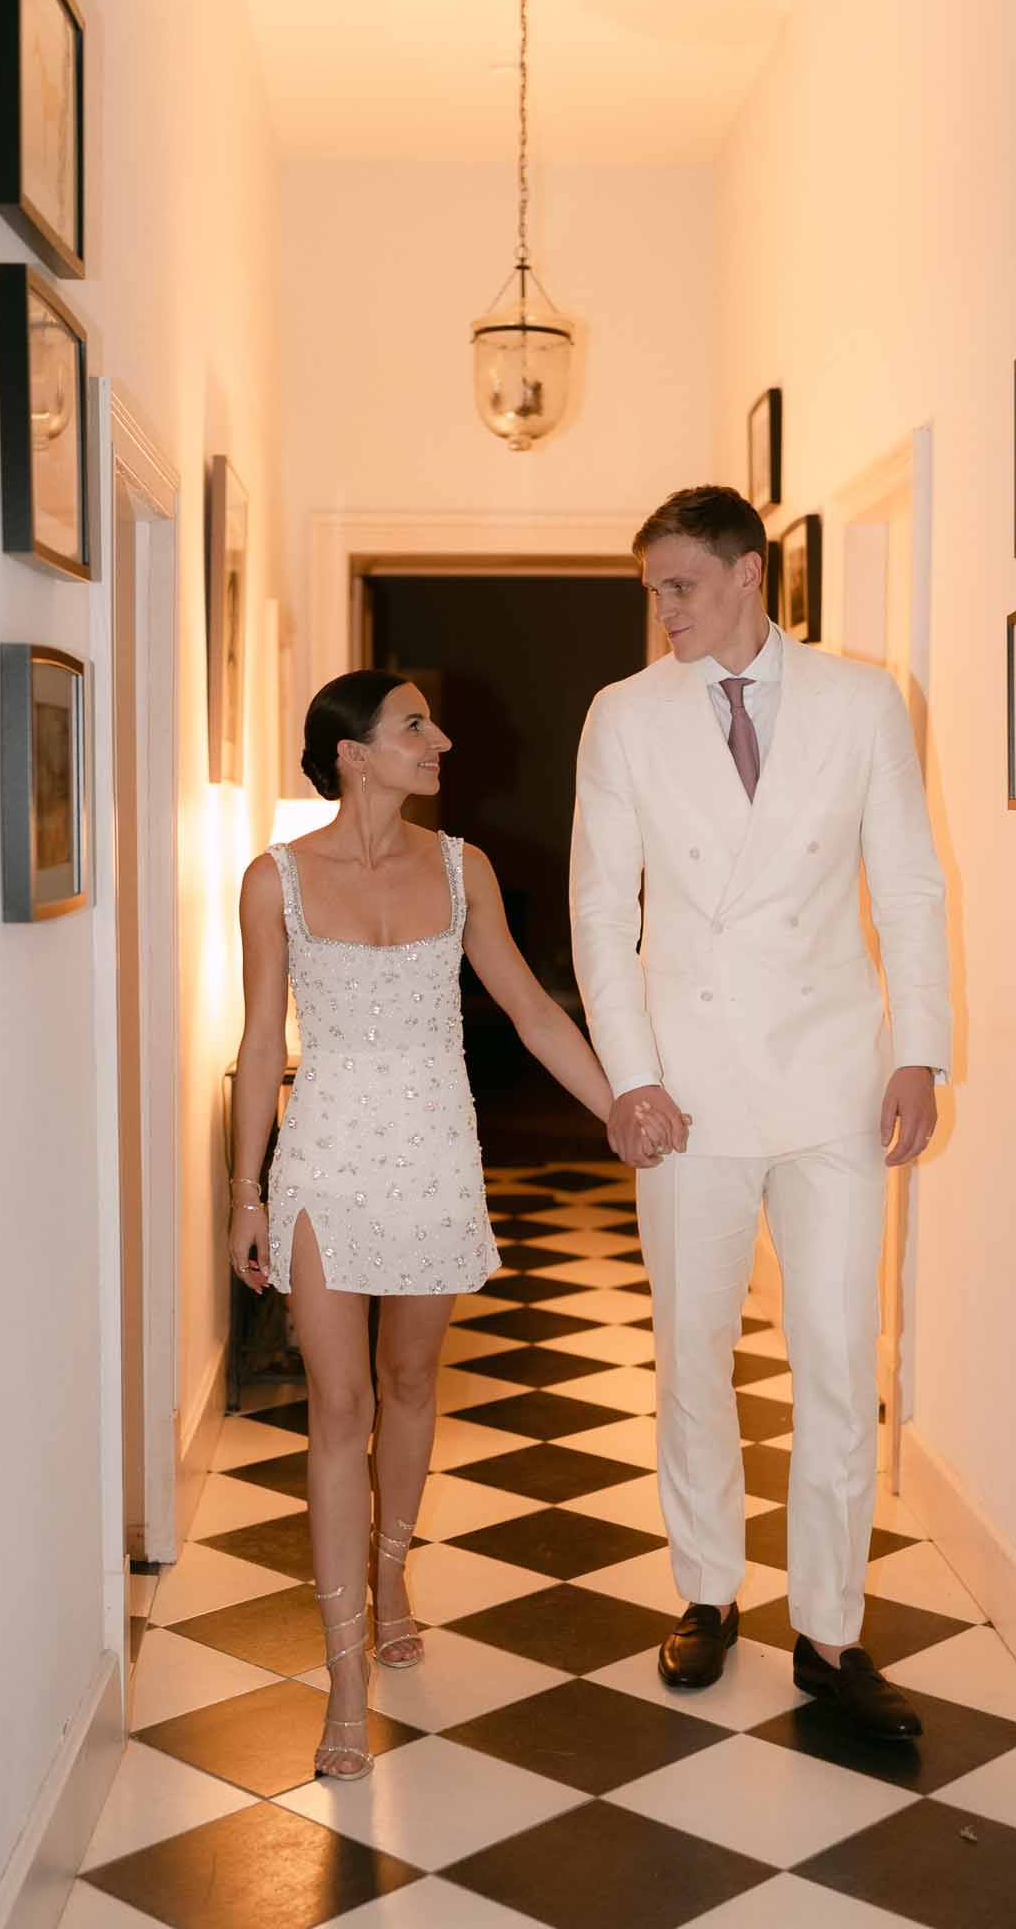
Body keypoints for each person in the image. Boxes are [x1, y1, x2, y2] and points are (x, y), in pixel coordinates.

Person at [571, 485, 951, 1739]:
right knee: (691, 1355)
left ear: (745, 575)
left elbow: (906, 881)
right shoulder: (623, 717)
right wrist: (631, 1074)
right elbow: (599, 911)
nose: (660, 610)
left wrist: (921, 1050)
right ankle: (706, 1591)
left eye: (677, 585)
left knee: (841, 1357)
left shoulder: (859, 700)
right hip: (685, 1089)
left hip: (838, 1077)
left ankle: (831, 1631)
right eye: (651, 588)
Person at [228, 669, 623, 1781]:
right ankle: (344, 1673)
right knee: (337, 1401)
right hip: (325, 1155)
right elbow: (263, 1042)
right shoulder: (274, 881)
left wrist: (619, 1108)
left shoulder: (462, 868)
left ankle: (391, 1568)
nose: (438, 738)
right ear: (352, 753)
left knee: (408, 1382)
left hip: (435, 1149)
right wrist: (245, 1191)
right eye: (414, 725)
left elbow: (531, 1006)